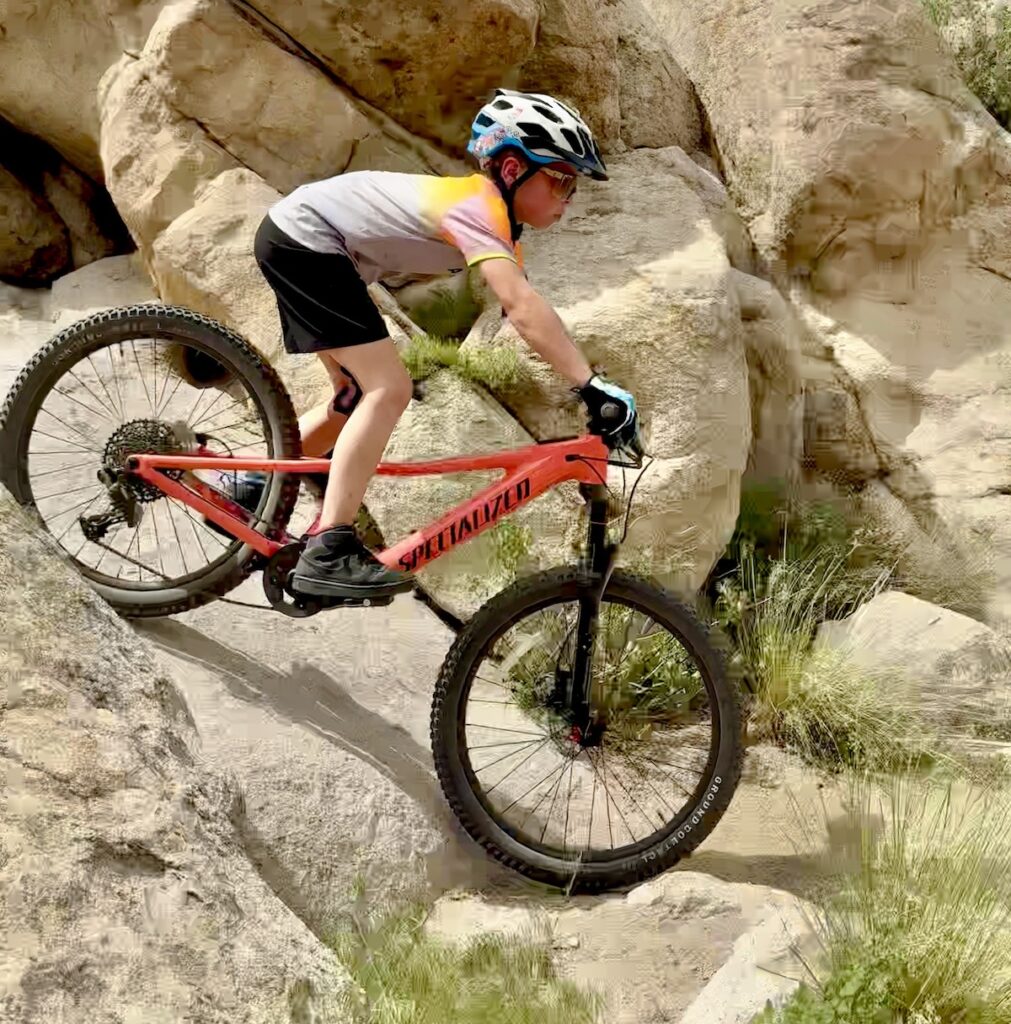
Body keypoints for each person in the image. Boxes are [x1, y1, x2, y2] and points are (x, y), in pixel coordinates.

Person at [231, 87, 638, 600]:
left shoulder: (496, 225)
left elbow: (526, 310)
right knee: (389, 389)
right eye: (560, 179)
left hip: (305, 239)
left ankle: (249, 486)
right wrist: (590, 382)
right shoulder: (480, 207)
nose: (568, 197)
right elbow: (521, 306)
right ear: (512, 171)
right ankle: (327, 549)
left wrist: (578, 376)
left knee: (353, 397)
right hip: (309, 241)